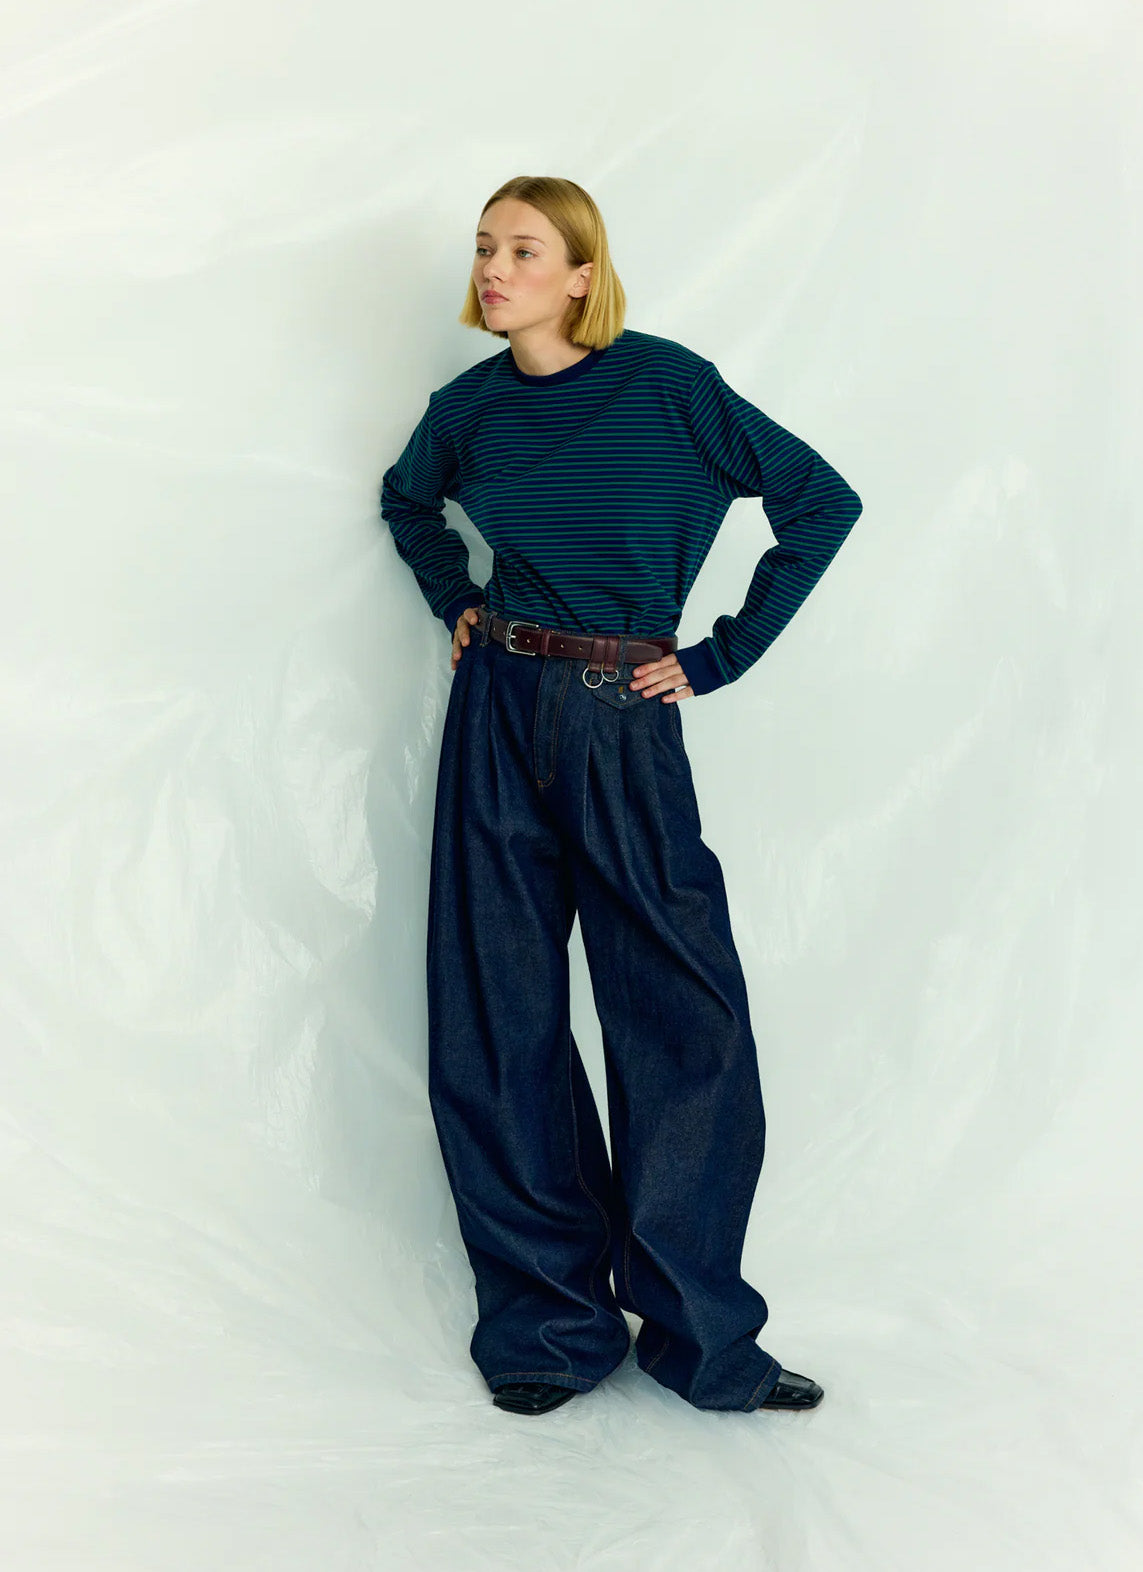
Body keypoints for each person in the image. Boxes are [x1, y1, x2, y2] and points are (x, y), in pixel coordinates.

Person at [380, 175, 863, 1416]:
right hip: (497, 708)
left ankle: (702, 1339)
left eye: (523, 250)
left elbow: (822, 503)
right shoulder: (467, 409)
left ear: (582, 275)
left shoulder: (669, 388)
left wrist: (718, 657)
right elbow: (406, 499)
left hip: (620, 712)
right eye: (485, 247)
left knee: (682, 1014)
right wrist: (456, 599)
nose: (494, 269)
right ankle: (550, 1330)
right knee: (497, 1014)